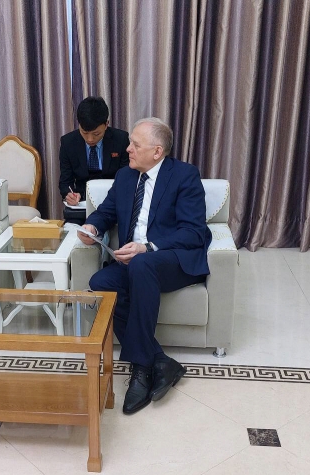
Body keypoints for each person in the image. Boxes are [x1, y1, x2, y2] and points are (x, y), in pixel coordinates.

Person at [77, 117, 211, 414]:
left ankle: (140, 368)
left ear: (157, 151)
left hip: (173, 258)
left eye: (135, 144)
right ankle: (159, 361)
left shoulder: (185, 176)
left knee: (142, 266)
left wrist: (147, 247)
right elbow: (106, 212)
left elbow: (193, 232)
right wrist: (92, 228)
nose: (128, 149)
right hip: (135, 262)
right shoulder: (126, 177)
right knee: (101, 283)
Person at [58, 96, 129, 225]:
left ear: (106, 124)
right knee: (72, 233)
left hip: (112, 202)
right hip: (82, 205)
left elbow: (126, 178)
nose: (90, 139)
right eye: (85, 133)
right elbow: (65, 182)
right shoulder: (68, 142)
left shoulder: (121, 139)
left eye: (96, 134)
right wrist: (69, 194)